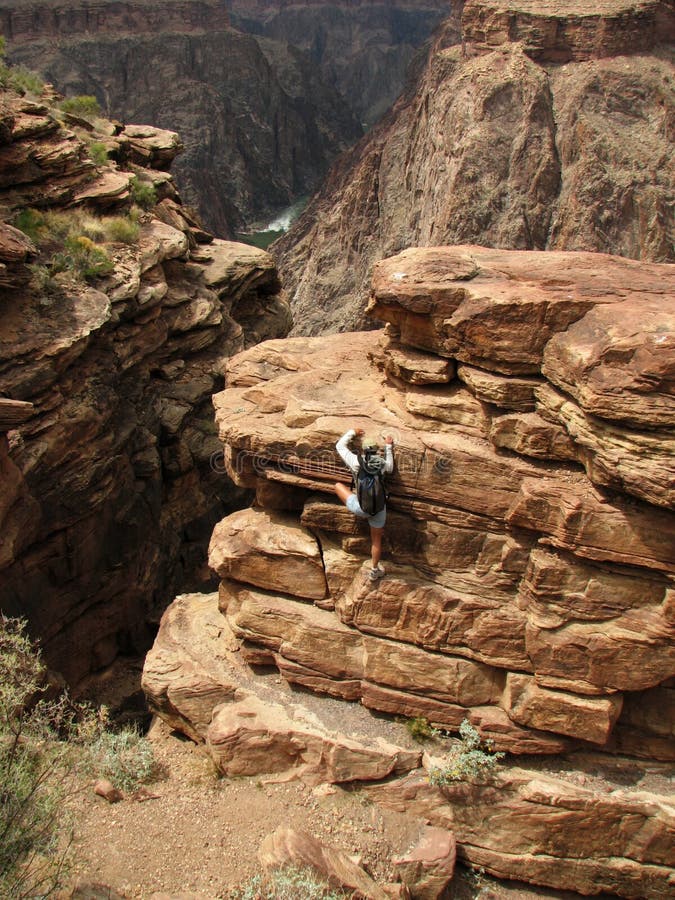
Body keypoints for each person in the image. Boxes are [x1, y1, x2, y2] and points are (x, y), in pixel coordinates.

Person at [334, 427, 394, 582]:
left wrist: (352, 432)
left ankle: (355, 499)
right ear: (375, 450)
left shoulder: (355, 461)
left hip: (361, 507)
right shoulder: (381, 464)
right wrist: (388, 446)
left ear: (363, 449)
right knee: (376, 541)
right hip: (378, 509)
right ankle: (374, 571)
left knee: (338, 486)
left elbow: (339, 446)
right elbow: (391, 467)